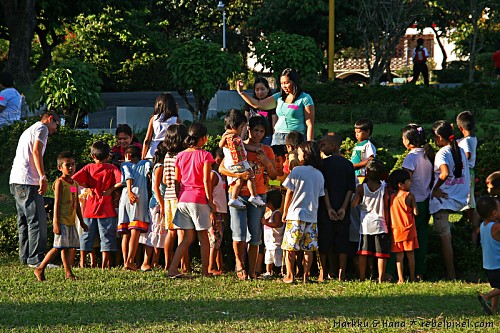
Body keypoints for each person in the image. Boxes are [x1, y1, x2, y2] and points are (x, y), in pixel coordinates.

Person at [219, 116, 278, 280]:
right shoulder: (237, 146)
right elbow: (222, 169)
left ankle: (252, 270)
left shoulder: (267, 150)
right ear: (248, 129)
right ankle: (239, 266)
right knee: (238, 233)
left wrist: (267, 163)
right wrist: (238, 174)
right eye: (255, 130)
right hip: (237, 194)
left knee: (255, 234)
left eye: (262, 131)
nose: (258, 134)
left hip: (258, 194)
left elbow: (273, 175)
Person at [10, 111, 60, 267]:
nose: (55, 130)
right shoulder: (42, 128)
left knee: (24, 222)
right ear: (50, 119)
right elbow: (36, 151)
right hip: (28, 181)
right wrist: (42, 177)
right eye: (56, 126)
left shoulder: (29, 129)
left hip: (16, 181)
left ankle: (25, 258)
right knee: (37, 220)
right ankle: (36, 259)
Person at [167, 123, 215, 278]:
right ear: (202, 138)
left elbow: (176, 180)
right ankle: (205, 272)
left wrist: (178, 196)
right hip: (198, 199)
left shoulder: (180, 155)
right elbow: (206, 180)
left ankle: (173, 269)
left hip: (183, 199)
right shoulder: (205, 155)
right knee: (203, 237)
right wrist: (210, 201)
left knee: (187, 238)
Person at [34, 152, 88, 281]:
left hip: (71, 220)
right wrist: (56, 222)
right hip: (62, 220)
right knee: (58, 247)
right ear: (60, 168)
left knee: (67, 247)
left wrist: (81, 221)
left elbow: (76, 203)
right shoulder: (59, 183)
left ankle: (68, 273)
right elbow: (56, 203)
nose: (71, 168)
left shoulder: (74, 184)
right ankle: (40, 268)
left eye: (73, 164)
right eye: (67, 165)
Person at [430, 120, 470, 280]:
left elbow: (444, 173)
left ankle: (451, 274)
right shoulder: (459, 150)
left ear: (439, 137)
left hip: (443, 201)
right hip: (458, 198)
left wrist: (435, 189)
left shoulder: (442, 153)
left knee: (445, 238)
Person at [72, 141, 122, 269]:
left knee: (86, 236)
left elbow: (73, 181)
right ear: (108, 155)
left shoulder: (88, 168)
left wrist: (86, 188)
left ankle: (83, 262)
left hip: (89, 208)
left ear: (93, 156)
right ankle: (105, 264)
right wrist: (111, 189)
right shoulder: (112, 168)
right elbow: (121, 181)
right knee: (107, 236)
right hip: (107, 209)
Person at [281, 141, 325, 284]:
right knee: (308, 249)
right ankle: (306, 276)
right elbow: (319, 195)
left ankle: (290, 275)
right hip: (312, 216)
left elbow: (289, 192)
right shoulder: (319, 174)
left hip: (295, 215)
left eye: (299, 154)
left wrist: (285, 211)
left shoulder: (297, 171)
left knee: (290, 248)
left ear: (305, 155)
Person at [236, 68, 315, 144]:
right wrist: (241, 92)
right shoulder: (279, 96)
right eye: (282, 83)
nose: (284, 86)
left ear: (294, 82)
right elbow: (258, 104)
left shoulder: (305, 98)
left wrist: (309, 144)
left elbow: (310, 124)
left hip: (296, 138)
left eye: (286, 83)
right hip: (278, 137)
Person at [318, 132, 356, 282]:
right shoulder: (348, 164)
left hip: (326, 208)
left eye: (323, 145)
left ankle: (323, 272)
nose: (321, 148)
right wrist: (343, 208)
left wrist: (328, 208)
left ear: (333, 146)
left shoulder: (323, 165)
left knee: (325, 241)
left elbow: (324, 188)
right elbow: (350, 189)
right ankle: (342, 272)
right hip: (342, 209)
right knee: (342, 240)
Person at [401, 124, 434, 280]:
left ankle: (408, 270)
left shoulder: (411, 157)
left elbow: (405, 181)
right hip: (426, 200)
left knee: (407, 238)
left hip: (412, 202)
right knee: (422, 236)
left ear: (408, 141)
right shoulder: (427, 155)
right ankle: (420, 270)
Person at [352, 159, 390, 283]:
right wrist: (388, 223)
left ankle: (362, 277)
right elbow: (385, 207)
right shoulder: (384, 187)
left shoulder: (361, 188)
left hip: (365, 225)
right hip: (380, 223)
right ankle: (380, 278)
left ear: (367, 172)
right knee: (381, 254)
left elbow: (354, 204)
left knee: (363, 252)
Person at [219, 110, 265, 209]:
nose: (242, 130)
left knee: (239, 182)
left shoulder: (237, 137)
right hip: (237, 162)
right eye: (241, 127)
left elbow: (244, 146)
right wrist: (227, 136)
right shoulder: (228, 136)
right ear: (233, 127)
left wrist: (255, 149)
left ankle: (234, 198)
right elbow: (220, 145)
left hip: (236, 163)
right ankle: (254, 196)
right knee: (251, 176)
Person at [117, 145, 153, 271]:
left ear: (128, 156)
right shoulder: (145, 163)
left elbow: (126, 177)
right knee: (135, 231)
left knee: (126, 232)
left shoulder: (125, 165)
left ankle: (126, 260)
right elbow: (149, 173)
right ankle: (130, 261)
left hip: (125, 197)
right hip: (138, 197)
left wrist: (128, 191)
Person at [163, 123, 188, 271]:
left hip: (168, 195)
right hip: (179, 195)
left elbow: (166, 180)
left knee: (170, 232)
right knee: (182, 232)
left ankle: (167, 264)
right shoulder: (182, 155)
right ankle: (184, 265)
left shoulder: (167, 156)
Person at [139, 142, 167, 270]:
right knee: (154, 233)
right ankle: (146, 262)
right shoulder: (160, 167)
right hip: (157, 203)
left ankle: (155, 261)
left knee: (159, 233)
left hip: (157, 202)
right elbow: (156, 187)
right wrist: (162, 204)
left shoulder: (157, 166)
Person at [388, 169, 419, 284]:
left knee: (399, 257)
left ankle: (400, 279)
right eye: (408, 181)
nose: (410, 183)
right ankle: (412, 277)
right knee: (410, 255)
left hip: (396, 230)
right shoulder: (409, 196)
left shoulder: (392, 197)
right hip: (409, 229)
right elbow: (415, 212)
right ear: (400, 185)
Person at [456, 111, 479, 242]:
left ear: (460, 128)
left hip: (467, 173)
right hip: (470, 173)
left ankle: (472, 229)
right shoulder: (472, 139)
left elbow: (468, 154)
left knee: (469, 203)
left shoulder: (465, 142)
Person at [476, 196, 500, 315]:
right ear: (494, 213)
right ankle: (486, 297)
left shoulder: (483, 226)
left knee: (497, 287)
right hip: (497, 265)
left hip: (488, 266)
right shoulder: (496, 227)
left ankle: (494, 309)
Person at [142, 92, 182, 160]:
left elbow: (147, 140)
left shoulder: (153, 119)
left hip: (153, 152)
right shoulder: (176, 120)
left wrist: (143, 156)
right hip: (169, 153)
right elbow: (181, 136)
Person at [208, 148, 228, 275]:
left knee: (218, 240)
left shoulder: (220, 175)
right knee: (214, 240)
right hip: (215, 211)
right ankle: (210, 267)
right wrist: (211, 210)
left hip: (220, 211)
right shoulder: (213, 175)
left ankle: (218, 265)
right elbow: (208, 192)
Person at [241, 77, 277, 145]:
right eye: (257, 90)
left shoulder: (271, 104)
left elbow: (274, 125)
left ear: (268, 89)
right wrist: (241, 140)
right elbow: (245, 123)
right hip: (251, 137)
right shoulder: (250, 103)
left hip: (267, 139)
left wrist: (274, 141)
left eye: (262, 89)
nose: (260, 92)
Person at [261, 189, 284, 278]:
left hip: (276, 243)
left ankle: (281, 271)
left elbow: (276, 224)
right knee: (268, 259)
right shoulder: (269, 213)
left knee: (278, 259)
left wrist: (266, 223)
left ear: (269, 203)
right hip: (269, 243)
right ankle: (268, 271)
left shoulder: (277, 213)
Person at [350, 119, 376, 185]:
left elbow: (371, 160)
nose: (356, 134)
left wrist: (356, 166)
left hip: (362, 175)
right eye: (355, 132)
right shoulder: (358, 145)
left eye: (359, 132)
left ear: (367, 131)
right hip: (355, 174)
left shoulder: (368, 145)